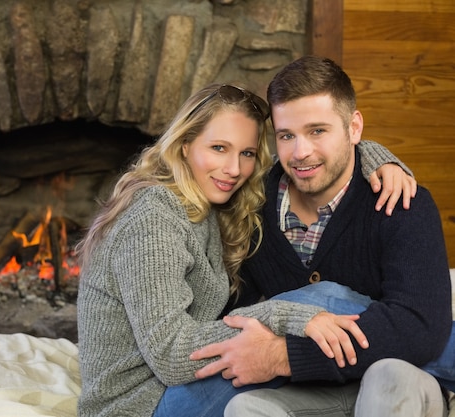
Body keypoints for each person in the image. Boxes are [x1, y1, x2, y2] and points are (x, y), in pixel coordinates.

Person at [76, 81, 417, 417]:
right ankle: (424, 346)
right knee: (317, 300)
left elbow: (311, 163)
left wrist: (372, 156)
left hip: (172, 392)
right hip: (140, 407)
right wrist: (284, 316)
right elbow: (171, 354)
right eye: (219, 148)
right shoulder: (153, 215)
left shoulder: (209, 200)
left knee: (317, 331)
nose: (234, 169)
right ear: (184, 145)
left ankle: (412, 352)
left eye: (247, 153)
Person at [191, 56, 454, 416]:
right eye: (287, 135)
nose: (301, 153)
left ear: (354, 127)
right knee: (245, 408)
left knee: (388, 375)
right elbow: (239, 315)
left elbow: (419, 326)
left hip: (399, 371)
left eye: (318, 131)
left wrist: (286, 355)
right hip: (308, 392)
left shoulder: (402, 203)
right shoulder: (248, 209)